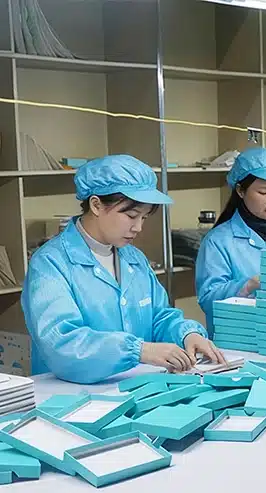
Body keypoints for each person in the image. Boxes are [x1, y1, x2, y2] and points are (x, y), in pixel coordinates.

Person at [22, 155, 224, 385]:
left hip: (133, 390)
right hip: (69, 397)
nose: (138, 227)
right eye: (131, 216)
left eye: (144, 217)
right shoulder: (50, 263)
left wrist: (187, 333)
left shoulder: (133, 258)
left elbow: (159, 316)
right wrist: (138, 351)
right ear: (96, 205)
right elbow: (61, 343)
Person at [195, 147, 266, 334]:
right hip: (240, 340)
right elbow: (208, 300)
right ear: (240, 190)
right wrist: (248, 285)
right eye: (263, 192)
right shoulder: (218, 241)